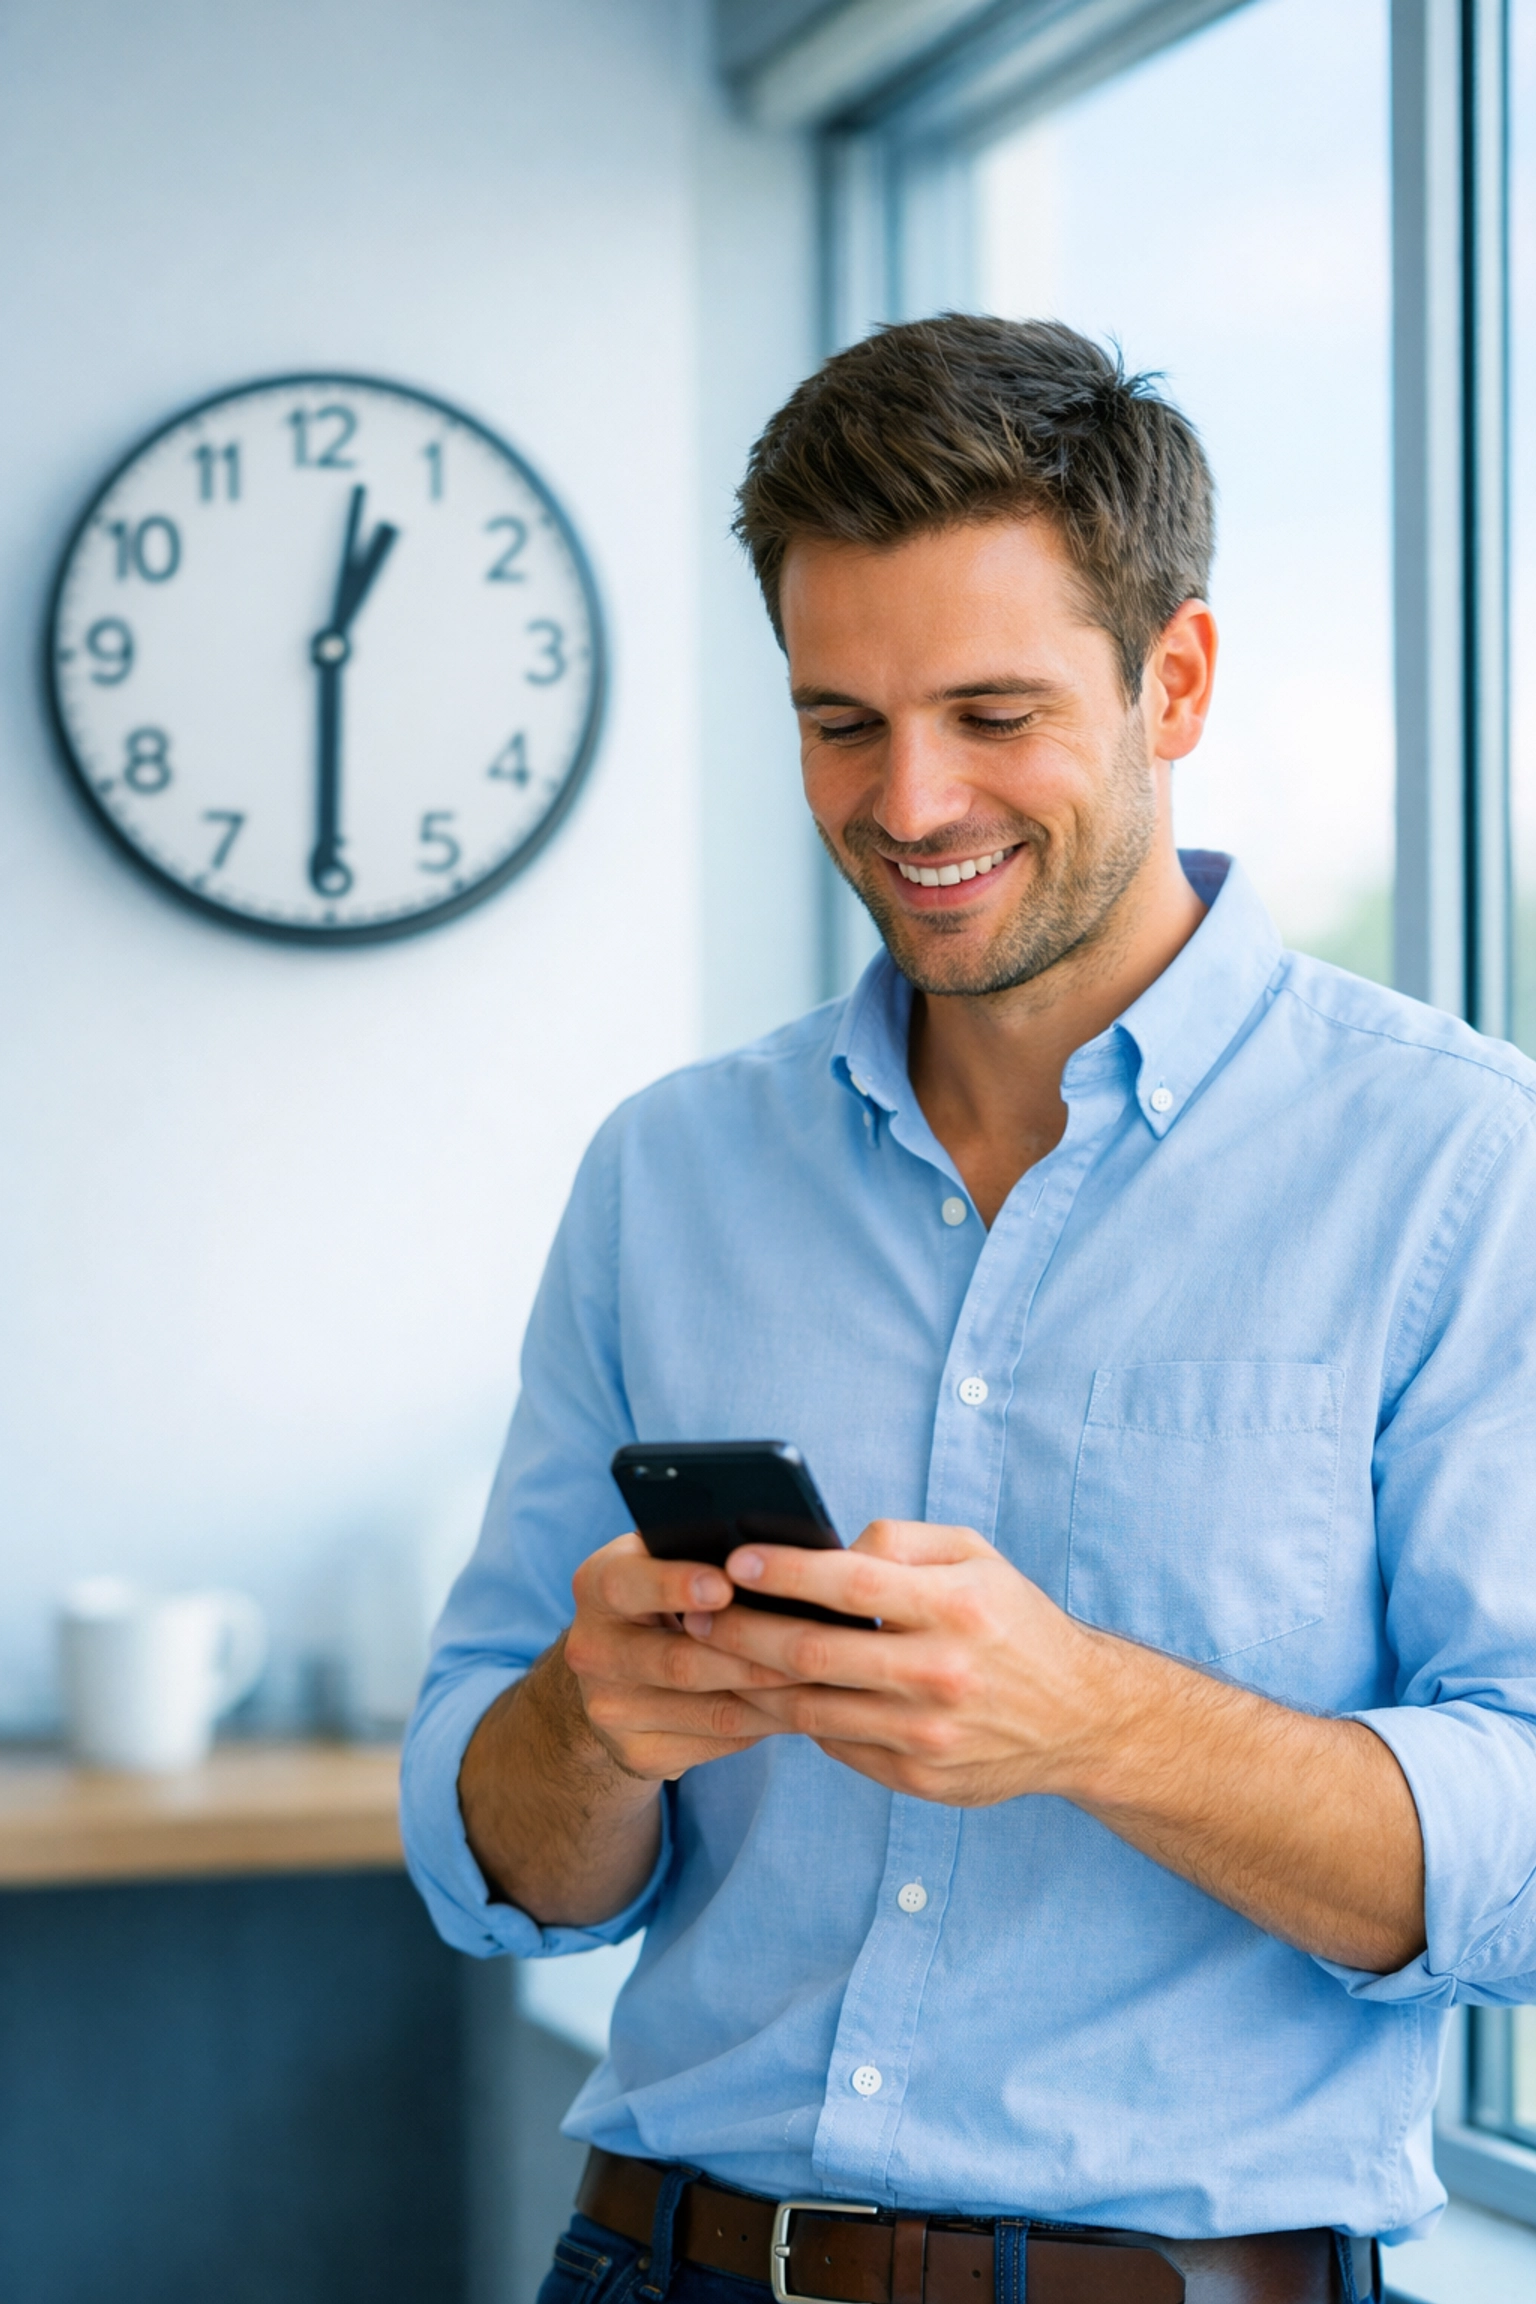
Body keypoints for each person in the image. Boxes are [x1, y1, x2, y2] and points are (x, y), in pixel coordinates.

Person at [402, 317, 1536, 2304]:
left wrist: (1089, 1718)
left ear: (1174, 679)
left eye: (992, 713)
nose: (909, 804)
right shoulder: (666, 1175)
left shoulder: (1460, 1168)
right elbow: (491, 1861)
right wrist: (591, 1721)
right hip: (658, 2264)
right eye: (841, 722)